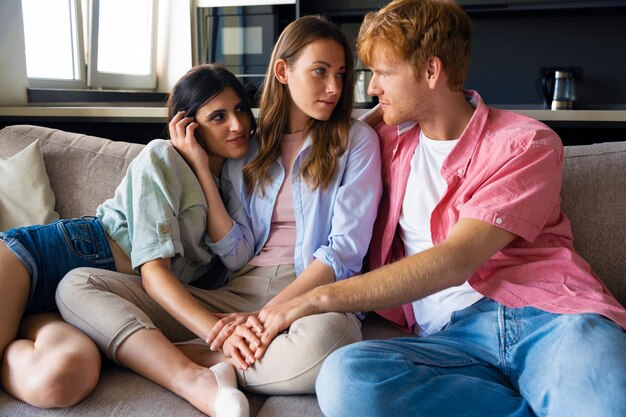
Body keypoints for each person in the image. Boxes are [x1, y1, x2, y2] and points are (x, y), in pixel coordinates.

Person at [245, 1, 626, 417]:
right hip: (450, 342)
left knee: (601, 400)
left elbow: (456, 259)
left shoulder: (524, 143)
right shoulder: (386, 146)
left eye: (384, 73)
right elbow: (336, 133)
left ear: (431, 71)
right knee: (346, 379)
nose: (371, 87)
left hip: (550, 321)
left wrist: (319, 299)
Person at [56, 15, 381, 417]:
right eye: (320, 71)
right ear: (283, 70)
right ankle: (200, 357)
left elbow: (344, 251)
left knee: (332, 341)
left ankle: (163, 355)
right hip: (236, 290)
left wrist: (267, 316)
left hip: (309, 291)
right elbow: (237, 253)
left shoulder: (356, 141)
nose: (333, 87)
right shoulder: (246, 147)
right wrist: (203, 173)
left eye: (341, 74)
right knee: (77, 283)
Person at [0, 63, 255, 410]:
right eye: (218, 117)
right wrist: (219, 333)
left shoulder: (236, 184)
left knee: (58, 381)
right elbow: (155, 275)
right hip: (36, 260)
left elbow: (237, 258)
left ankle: (14, 338)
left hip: (89, 301)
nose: (237, 125)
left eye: (240, 109)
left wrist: (203, 168)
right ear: (188, 125)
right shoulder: (162, 157)